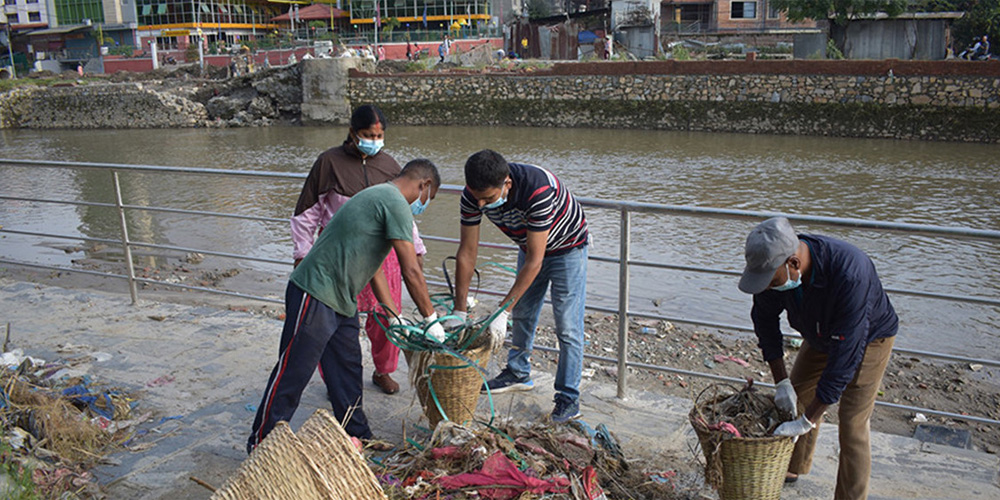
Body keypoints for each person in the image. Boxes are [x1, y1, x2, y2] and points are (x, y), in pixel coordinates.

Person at [248, 160, 444, 453]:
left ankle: (357, 434)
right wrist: (432, 319)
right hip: (315, 290)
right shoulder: (395, 202)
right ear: (424, 185)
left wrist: (394, 316)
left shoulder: (379, 196)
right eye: (428, 199)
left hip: (342, 297)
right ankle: (261, 444)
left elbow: (374, 268)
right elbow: (411, 270)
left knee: (347, 368)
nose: (423, 205)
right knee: (294, 370)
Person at [737, 217, 897, 500]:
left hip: (869, 337)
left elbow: (844, 360)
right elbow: (764, 322)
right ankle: (791, 465)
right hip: (819, 333)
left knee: (853, 422)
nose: (768, 288)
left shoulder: (850, 273)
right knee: (797, 395)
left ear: (794, 264)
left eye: (771, 282)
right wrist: (781, 381)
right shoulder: (775, 271)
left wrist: (808, 420)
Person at [291, 104, 427, 396]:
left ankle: (383, 371)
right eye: (368, 135)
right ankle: (335, 377)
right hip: (340, 254)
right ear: (353, 133)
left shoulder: (390, 165)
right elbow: (307, 214)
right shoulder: (329, 163)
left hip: (382, 253)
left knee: (386, 315)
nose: (374, 141)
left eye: (379, 135)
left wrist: (416, 249)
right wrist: (301, 254)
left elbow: (402, 215)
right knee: (335, 319)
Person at [449, 150, 590, 423]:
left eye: (488, 199)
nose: (481, 203)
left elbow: (536, 262)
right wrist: (459, 310)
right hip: (530, 245)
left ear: (507, 184)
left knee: (568, 325)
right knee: (523, 312)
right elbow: (467, 252)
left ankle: (568, 397)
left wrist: (500, 312)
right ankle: (517, 372)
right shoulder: (472, 196)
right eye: (477, 197)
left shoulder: (536, 189)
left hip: (567, 248)